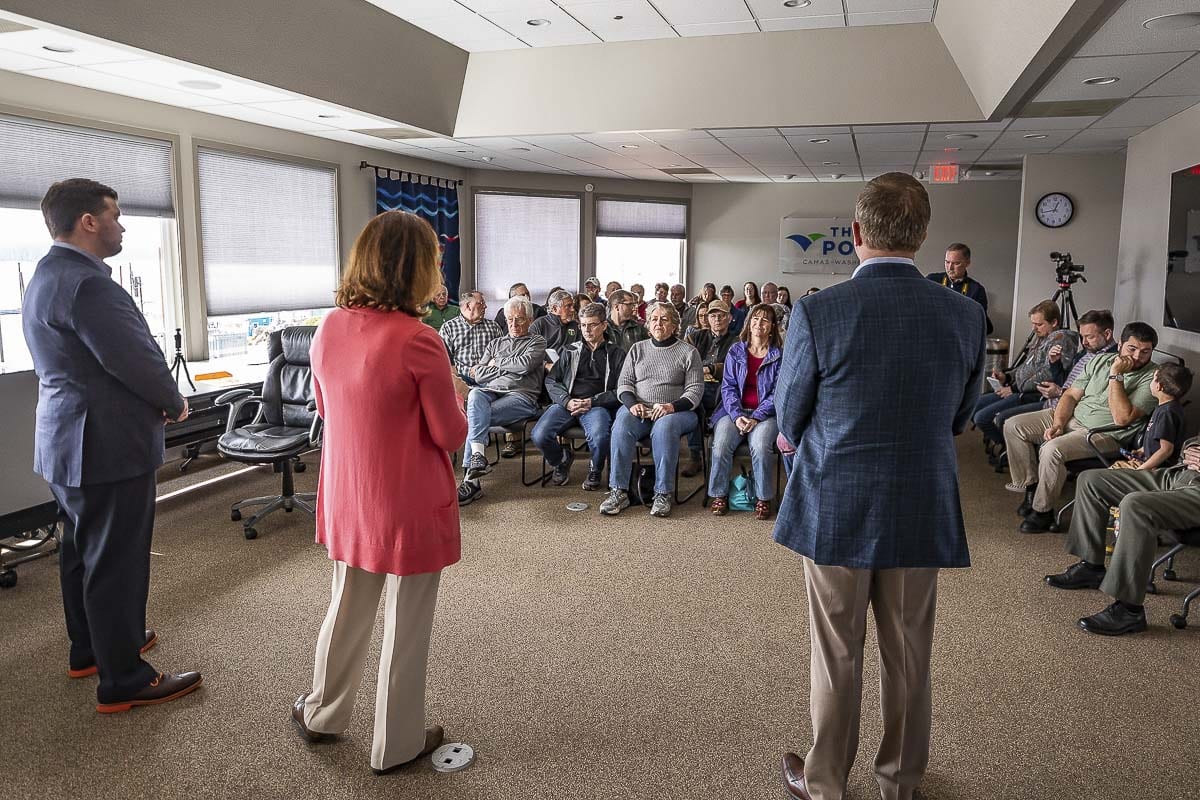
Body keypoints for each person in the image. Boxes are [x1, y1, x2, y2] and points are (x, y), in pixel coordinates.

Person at [774, 173, 985, 800]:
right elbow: (961, 418)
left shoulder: (819, 310)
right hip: (920, 502)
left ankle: (826, 785)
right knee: (910, 654)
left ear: (856, 232)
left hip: (835, 503)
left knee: (837, 652)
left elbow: (789, 414)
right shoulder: (965, 314)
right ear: (923, 235)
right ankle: (899, 783)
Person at [298, 210, 467, 773]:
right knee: (406, 626)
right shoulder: (420, 340)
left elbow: (327, 409)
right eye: (434, 260)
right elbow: (450, 435)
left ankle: (323, 714)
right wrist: (459, 395)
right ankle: (396, 744)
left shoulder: (329, 326)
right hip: (408, 502)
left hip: (350, 493)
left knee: (346, 605)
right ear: (414, 268)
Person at [21, 178, 199, 713]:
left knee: (82, 552)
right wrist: (174, 401)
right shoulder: (89, 284)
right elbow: (134, 359)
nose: (122, 226)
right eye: (115, 215)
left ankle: (90, 650)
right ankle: (124, 677)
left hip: (65, 443)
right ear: (88, 221)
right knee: (116, 560)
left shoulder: (45, 275)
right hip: (106, 444)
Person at [1004, 322, 1160, 533]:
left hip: (1105, 434)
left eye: (1145, 352)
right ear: (1120, 344)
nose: (1137, 356)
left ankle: (1042, 511)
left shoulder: (1152, 376)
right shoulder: (1100, 360)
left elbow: (1122, 418)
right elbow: (1070, 395)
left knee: (1051, 449)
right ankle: (1031, 488)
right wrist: (1058, 424)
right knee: (1013, 426)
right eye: (1132, 349)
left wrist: (1116, 375)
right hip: (1073, 417)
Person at [1044, 436, 1200, 635]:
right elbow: (1191, 441)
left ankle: (1129, 611)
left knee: (1135, 506)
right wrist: (1191, 448)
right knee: (1091, 480)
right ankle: (1091, 567)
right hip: (1181, 476)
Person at [600, 302, 704, 519]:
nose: (658, 323)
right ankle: (619, 490)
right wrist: (632, 404)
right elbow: (624, 384)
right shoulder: (637, 349)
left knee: (664, 428)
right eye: (654, 319)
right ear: (648, 324)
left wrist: (670, 407)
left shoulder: (688, 352)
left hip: (677, 412)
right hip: (640, 409)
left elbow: (695, 391)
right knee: (621, 424)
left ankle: (662, 493)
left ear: (675, 325)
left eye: (664, 319)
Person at [988, 309, 1116, 468]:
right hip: (1053, 403)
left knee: (1003, 420)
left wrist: (1059, 392)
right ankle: (1026, 476)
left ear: (1107, 334)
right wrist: (1055, 363)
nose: (1084, 342)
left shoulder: (1111, 362)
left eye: (1089, 337)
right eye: (1082, 337)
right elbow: (1065, 382)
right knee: (1009, 424)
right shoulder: (1085, 353)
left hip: (1072, 413)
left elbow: (1093, 398)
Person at [457, 296, 547, 506]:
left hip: (522, 397)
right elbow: (479, 375)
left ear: (530, 320)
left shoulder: (537, 342)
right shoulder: (496, 343)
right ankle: (478, 457)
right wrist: (508, 367)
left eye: (520, 319)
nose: (514, 324)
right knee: (475, 394)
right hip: (491, 391)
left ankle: (471, 482)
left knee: (475, 417)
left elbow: (525, 365)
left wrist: (496, 363)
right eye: (510, 319)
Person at [532, 303, 626, 491]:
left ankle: (595, 469)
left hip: (597, 406)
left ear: (604, 325)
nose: (587, 330)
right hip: (568, 403)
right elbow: (552, 380)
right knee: (539, 435)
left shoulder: (617, 353)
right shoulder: (569, 350)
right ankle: (561, 460)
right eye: (583, 325)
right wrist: (567, 401)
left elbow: (622, 390)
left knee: (600, 436)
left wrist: (593, 401)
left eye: (592, 325)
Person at [707, 304, 784, 520]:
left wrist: (756, 416)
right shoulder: (736, 351)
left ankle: (763, 497)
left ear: (772, 326)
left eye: (765, 320)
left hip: (766, 415)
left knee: (760, 446)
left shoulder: (779, 355)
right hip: (734, 411)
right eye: (755, 319)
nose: (759, 323)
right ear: (748, 324)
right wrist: (737, 415)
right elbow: (728, 387)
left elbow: (777, 393)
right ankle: (719, 494)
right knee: (721, 444)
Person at [974, 300, 1078, 448]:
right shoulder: (1040, 338)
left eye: (1039, 324)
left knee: (982, 417)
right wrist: (1007, 376)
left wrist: (1013, 388)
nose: (1034, 328)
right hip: (1017, 389)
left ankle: (1009, 447)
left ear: (1054, 322)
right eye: (1033, 324)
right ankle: (1007, 446)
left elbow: (1047, 375)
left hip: (1031, 395)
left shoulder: (1062, 340)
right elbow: (1026, 366)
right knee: (976, 404)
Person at [681, 300, 739, 478]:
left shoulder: (737, 341)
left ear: (729, 318)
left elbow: (735, 368)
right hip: (697, 383)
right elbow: (683, 361)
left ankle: (720, 450)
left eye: (721, 315)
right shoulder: (695, 337)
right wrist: (701, 371)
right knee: (692, 402)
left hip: (723, 386)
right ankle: (696, 456)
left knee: (724, 399)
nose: (717, 319)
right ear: (707, 318)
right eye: (713, 316)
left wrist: (712, 368)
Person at [1108, 363, 1191, 471]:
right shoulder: (1166, 407)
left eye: (1153, 379)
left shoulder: (1167, 413)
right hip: (1147, 461)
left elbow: (1166, 450)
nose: (1151, 382)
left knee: (1108, 474)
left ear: (1159, 386)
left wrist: (1141, 469)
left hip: (1156, 469)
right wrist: (1142, 450)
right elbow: (1158, 440)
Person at [927, 242, 991, 333]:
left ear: (967, 263)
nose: (950, 267)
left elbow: (982, 325)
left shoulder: (976, 290)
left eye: (956, 263)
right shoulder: (931, 280)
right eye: (947, 262)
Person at [439, 291, 502, 383]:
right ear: (468, 306)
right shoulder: (448, 328)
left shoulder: (493, 326)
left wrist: (483, 370)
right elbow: (444, 360)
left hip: (490, 379)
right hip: (461, 379)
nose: (485, 306)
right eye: (481, 303)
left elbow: (502, 355)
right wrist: (469, 371)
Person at [530, 289, 580, 356]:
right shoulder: (539, 325)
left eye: (572, 306)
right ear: (555, 308)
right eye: (568, 306)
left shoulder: (575, 325)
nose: (573, 309)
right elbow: (531, 353)